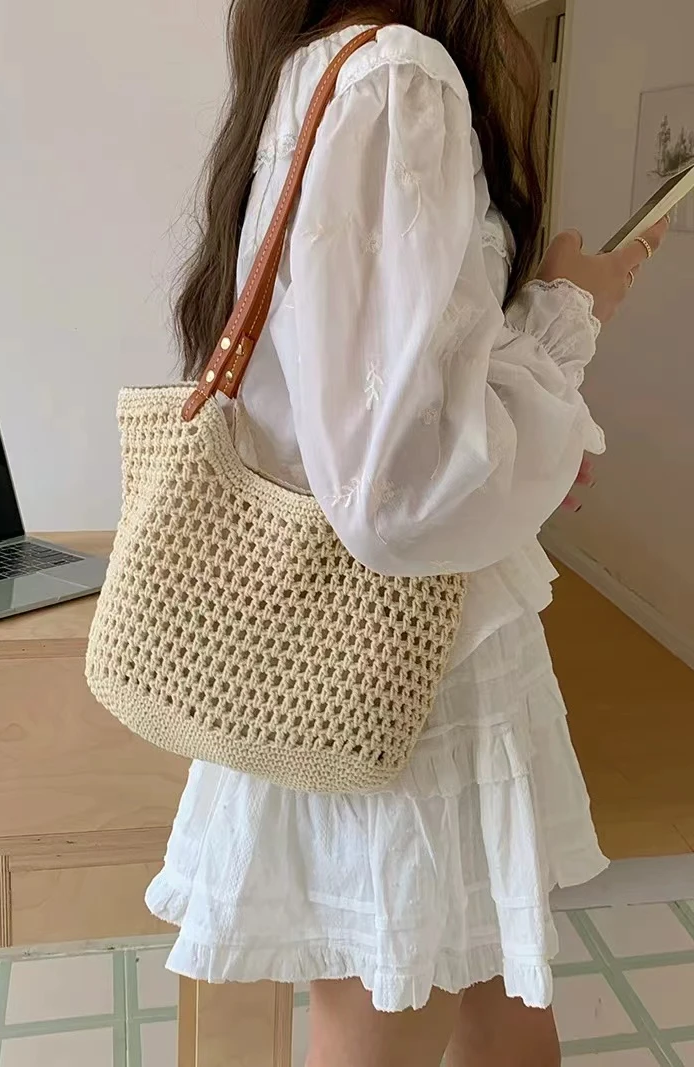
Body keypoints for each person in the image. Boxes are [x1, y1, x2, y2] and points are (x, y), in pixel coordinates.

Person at [145, 3, 669, 1064]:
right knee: (399, 1006)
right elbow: (399, 491)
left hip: (375, 639)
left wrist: (523, 394)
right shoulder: (394, 76)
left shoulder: (315, 73)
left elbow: (383, 403)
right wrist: (569, 313)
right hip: (404, 654)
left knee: (495, 997)